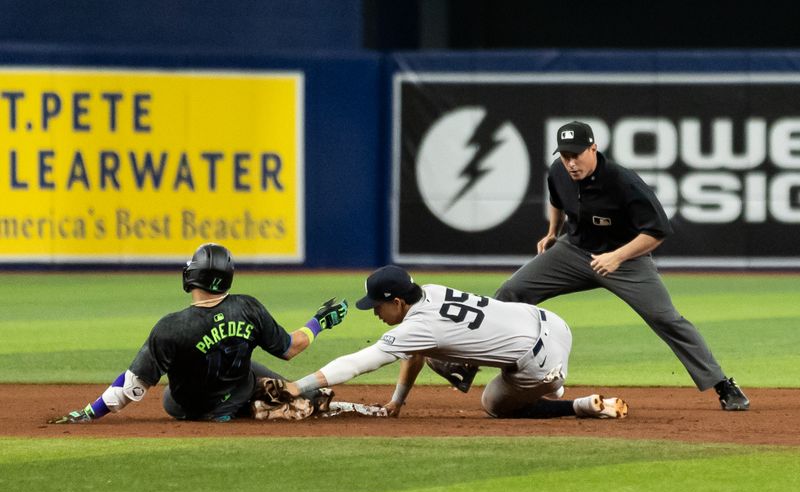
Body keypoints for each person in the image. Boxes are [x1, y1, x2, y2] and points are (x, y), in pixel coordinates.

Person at [491, 120, 748, 411]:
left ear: (594, 148)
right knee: (511, 291)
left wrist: (618, 256)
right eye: (565, 156)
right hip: (573, 251)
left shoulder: (622, 181)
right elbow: (557, 200)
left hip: (627, 261)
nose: (571, 162)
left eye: (577, 155)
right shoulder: (558, 171)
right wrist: (552, 232)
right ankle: (465, 363)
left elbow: (656, 231)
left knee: (665, 318)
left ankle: (723, 385)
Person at [274, 265, 629, 420]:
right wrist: (398, 401)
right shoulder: (430, 291)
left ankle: (580, 405)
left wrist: (298, 386)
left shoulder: (418, 327)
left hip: (539, 362)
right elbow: (414, 349)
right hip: (553, 324)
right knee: (437, 352)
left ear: (397, 302)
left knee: (494, 405)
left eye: (377, 305)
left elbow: (356, 363)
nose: (374, 312)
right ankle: (550, 385)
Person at [48, 243, 348, 424]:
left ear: (192, 276)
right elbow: (290, 348)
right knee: (272, 381)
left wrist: (89, 412)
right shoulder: (248, 308)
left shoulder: (171, 326)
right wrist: (319, 322)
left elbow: (131, 385)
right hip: (237, 390)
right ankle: (290, 397)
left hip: (191, 407)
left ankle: (240, 408)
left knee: (169, 399)